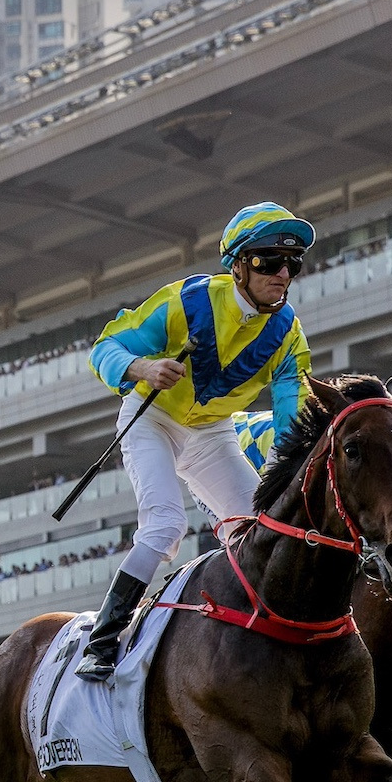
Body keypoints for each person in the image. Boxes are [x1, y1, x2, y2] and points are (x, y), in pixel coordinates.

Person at [75, 201, 314, 680]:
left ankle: (256, 636)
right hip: (152, 420)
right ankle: (101, 641)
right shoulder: (187, 301)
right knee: (165, 526)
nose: (283, 273)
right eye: (270, 261)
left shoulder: (288, 333)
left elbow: (294, 415)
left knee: (261, 529)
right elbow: (106, 348)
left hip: (213, 433)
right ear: (239, 264)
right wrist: (142, 367)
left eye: (293, 264)